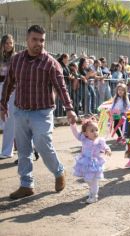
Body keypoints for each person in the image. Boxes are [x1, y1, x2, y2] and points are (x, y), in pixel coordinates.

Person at [0, 25, 77, 199]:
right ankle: (26, 184)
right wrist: (3, 105)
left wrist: (70, 109)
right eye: (35, 40)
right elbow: (9, 83)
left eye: (42, 40)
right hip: (20, 111)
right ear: (27, 40)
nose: (38, 43)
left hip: (42, 113)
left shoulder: (51, 63)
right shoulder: (17, 60)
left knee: (43, 144)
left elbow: (61, 88)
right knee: (23, 150)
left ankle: (58, 171)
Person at [70, 117, 111, 203]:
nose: (95, 132)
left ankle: (94, 195)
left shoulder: (100, 140)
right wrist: (72, 124)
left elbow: (105, 146)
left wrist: (107, 150)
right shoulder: (84, 139)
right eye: (92, 131)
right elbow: (76, 133)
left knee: (94, 181)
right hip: (85, 162)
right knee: (88, 180)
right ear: (85, 133)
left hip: (95, 163)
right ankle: (92, 192)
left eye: (96, 130)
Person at [0, 34, 16, 160]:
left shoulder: (15, 57)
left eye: (10, 43)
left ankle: (7, 151)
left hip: (11, 89)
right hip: (0, 86)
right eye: (6, 43)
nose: (9, 45)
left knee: (9, 120)